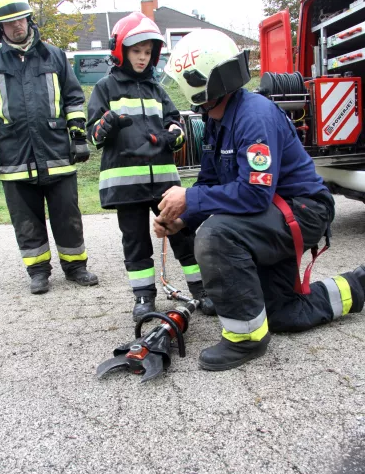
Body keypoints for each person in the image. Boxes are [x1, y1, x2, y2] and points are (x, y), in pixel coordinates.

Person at [153, 28, 365, 371]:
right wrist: (181, 219)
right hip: (274, 213)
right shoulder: (215, 121)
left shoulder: (254, 116)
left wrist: (189, 199)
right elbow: (210, 182)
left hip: (305, 210)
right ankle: (357, 285)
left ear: (201, 81)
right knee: (281, 313)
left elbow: (253, 193)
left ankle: (246, 340)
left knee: (218, 234)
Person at [87, 12, 215, 320]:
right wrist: (105, 125)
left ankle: (201, 291)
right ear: (121, 51)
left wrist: (176, 134)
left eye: (147, 52)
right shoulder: (104, 88)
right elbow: (93, 135)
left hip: (163, 185)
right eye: (136, 51)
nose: (143, 58)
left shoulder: (158, 90)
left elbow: (176, 124)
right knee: (136, 242)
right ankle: (144, 298)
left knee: (183, 234)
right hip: (126, 185)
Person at [0, 0, 98, 294]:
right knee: (25, 220)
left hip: (56, 151)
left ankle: (76, 267)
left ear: (29, 20)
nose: (16, 26)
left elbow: (72, 98)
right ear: (0, 29)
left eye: (20, 19)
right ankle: (38, 272)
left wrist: (79, 137)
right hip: (14, 156)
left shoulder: (54, 56)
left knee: (67, 215)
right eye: (9, 23)